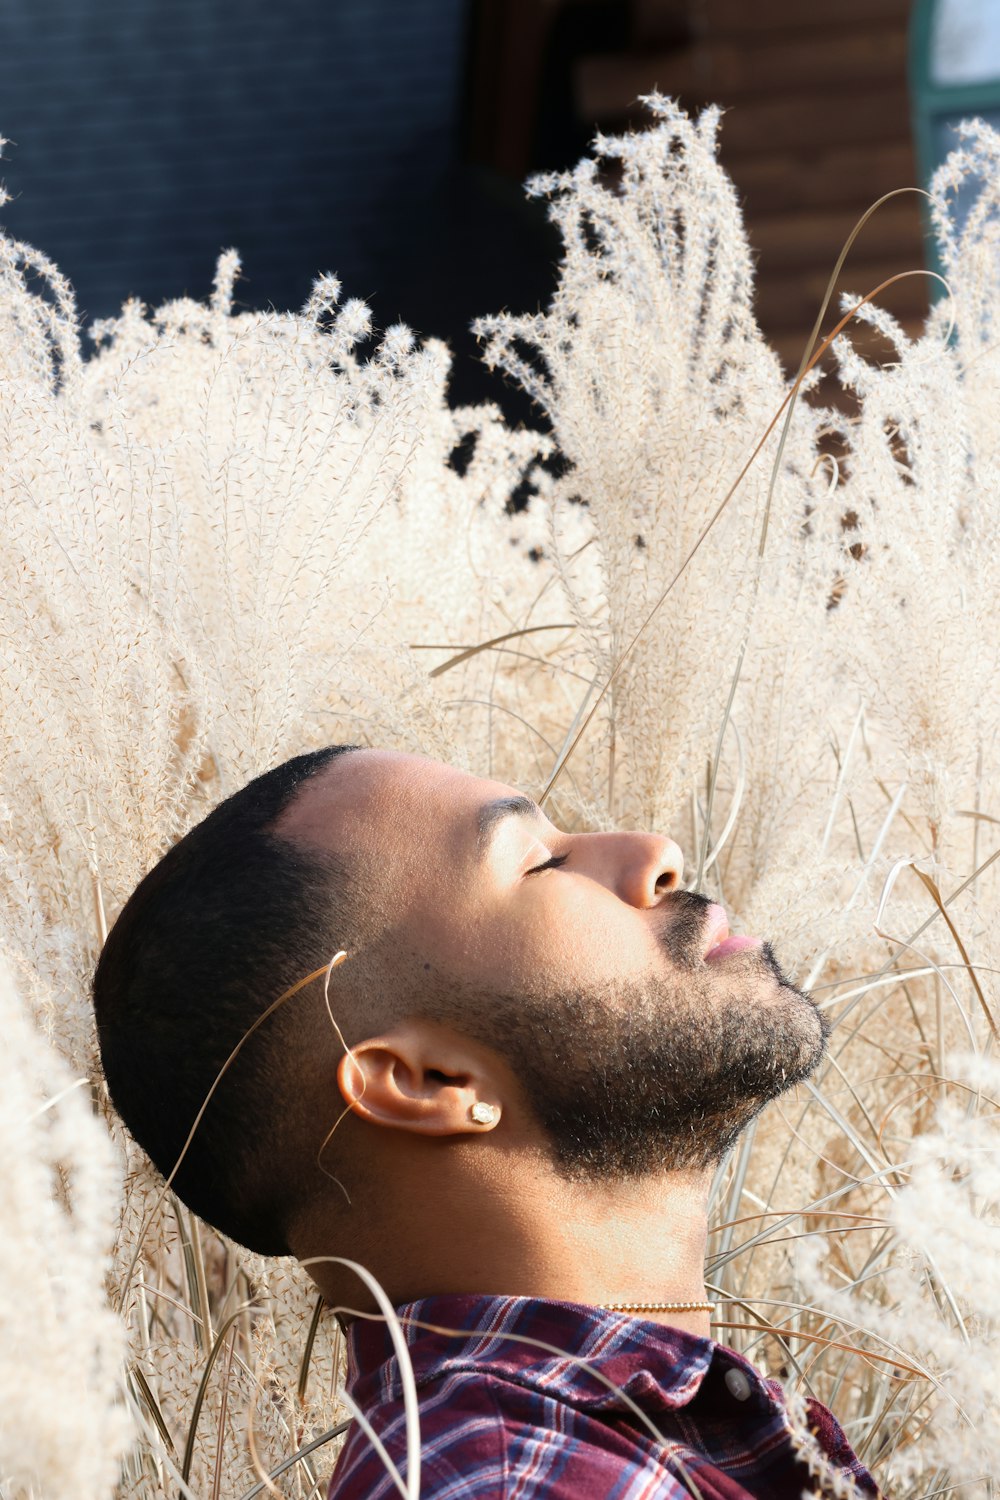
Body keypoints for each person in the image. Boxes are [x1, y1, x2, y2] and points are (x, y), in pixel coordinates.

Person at [93, 745, 878, 1498]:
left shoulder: (594, 1452)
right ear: (428, 1081)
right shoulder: (513, 1481)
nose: (654, 852)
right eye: (539, 863)